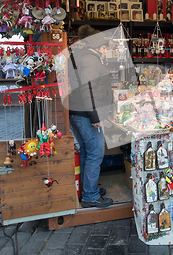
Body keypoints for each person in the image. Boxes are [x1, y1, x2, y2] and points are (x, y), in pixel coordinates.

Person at [68, 25, 113, 208]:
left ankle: (88, 189)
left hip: (79, 112)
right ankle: (90, 196)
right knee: (96, 153)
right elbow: (88, 89)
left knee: (88, 153)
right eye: (104, 46)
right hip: (87, 114)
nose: (106, 49)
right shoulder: (90, 59)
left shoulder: (80, 57)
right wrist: (95, 116)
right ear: (97, 45)